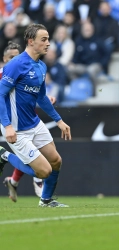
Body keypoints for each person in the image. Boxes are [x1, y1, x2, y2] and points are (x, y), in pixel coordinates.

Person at [0, 24, 71, 207]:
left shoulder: (41, 66)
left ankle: (45, 201)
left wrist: (59, 120)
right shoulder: (15, 65)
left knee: (56, 161)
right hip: (17, 128)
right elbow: (0, 95)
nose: (48, 43)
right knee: (44, 171)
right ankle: (4, 155)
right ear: (31, 42)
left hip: (34, 123)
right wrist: (7, 126)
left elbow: (41, 97)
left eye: (48, 39)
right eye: (44, 39)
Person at [0, 41, 55, 202]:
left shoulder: (27, 69)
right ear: (4, 58)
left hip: (29, 118)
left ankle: (14, 181)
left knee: (29, 155)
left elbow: (34, 92)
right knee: (34, 160)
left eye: (17, 57)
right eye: (11, 57)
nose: (15, 60)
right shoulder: (3, 74)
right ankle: (37, 178)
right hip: (11, 123)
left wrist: (46, 98)